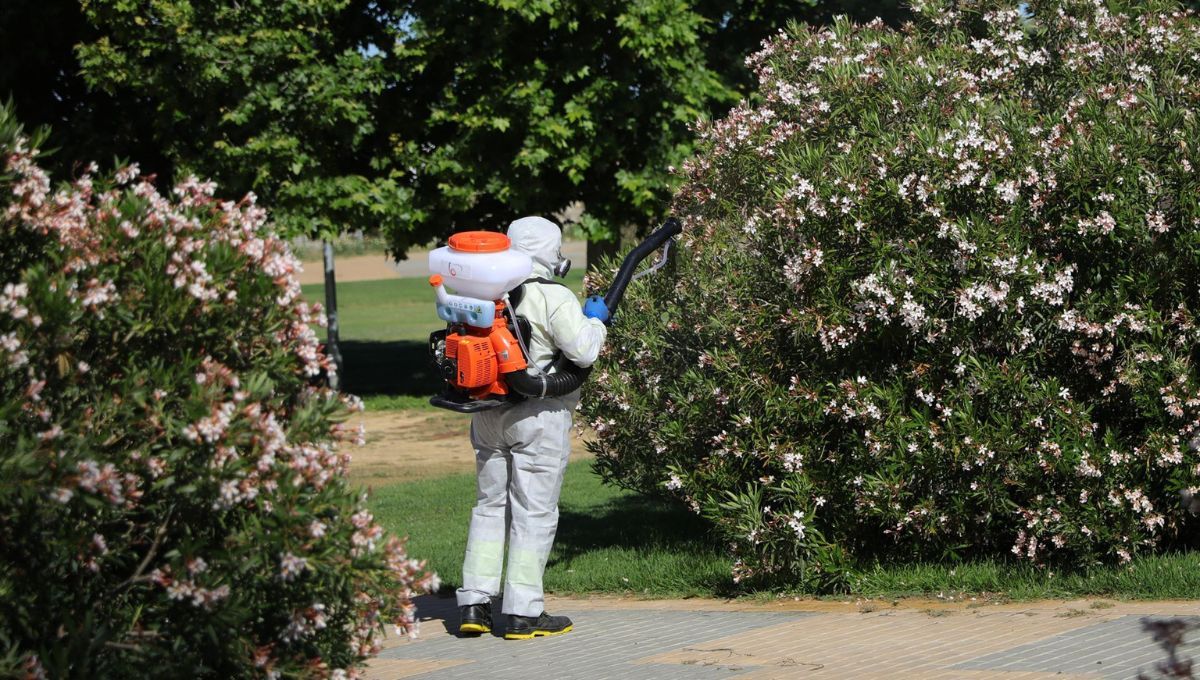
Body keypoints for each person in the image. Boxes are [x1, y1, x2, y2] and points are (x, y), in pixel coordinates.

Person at [456, 216, 609, 640]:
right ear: (549, 251)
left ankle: (474, 601)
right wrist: (595, 319)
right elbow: (583, 350)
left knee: (489, 506)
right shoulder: (551, 295)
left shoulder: (487, 291)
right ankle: (524, 611)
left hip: (487, 411)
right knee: (533, 512)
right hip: (538, 415)